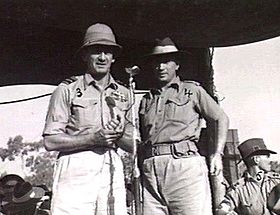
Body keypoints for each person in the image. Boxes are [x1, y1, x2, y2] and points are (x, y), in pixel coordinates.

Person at [42, 23, 134, 215]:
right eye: (96, 51)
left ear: (113, 57)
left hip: (112, 163)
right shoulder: (67, 89)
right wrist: (92, 139)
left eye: (107, 52)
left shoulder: (125, 93)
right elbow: (50, 141)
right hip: (76, 163)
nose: (102, 57)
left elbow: (134, 145)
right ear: (84, 55)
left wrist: (120, 132)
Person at [138, 37, 229, 215]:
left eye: (166, 61)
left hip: (184, 166)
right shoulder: (147, 99)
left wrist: (217, 153)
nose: (161, 67)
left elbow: (220, 118)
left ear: (177, 64)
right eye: (156, 62)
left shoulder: (192, 91)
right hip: (151, 170)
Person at [216, 138, 280, 215]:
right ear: (256, 159)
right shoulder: (238, 189)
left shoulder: (276, 181)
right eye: (267, 156)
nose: (270, 160)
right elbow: (221, 210)